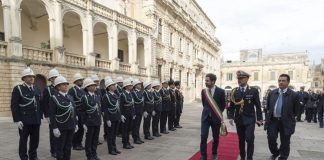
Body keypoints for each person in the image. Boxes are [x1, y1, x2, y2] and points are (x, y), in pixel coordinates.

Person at [228, 70, 263, 160]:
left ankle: (249, 157)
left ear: (247, 79)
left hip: (250, 119)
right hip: (239, 119)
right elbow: (231, 106)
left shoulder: (253, 91)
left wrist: (259, 118)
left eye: (242, 78)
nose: (239, 80)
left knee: (250, 139)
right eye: (238, 78)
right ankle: (243, 157)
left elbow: (258, 106)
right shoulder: (234, 91)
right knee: (241, 140)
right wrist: (231, 117)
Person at [265, 74, 299, 160]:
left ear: (288, 82)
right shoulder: (272, 93)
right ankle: (275, 153)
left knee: (285, 142)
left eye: (283, 81)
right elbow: (268, 107)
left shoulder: (294, 95)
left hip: (286, 122)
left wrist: (289, 117)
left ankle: (283, 157)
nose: (281, 82)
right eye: (279, 80)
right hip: (273, 121)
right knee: (271, 139)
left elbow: (297, 110)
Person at [11, 67, 42, 160]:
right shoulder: (18, 89)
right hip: (24, 120)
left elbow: (39, 103)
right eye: (29, 76)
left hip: (36, 119)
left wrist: (40, 116)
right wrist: (17, 120)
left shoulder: (36, 89)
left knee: (35, 140)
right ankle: (23, 157)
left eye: (32, 76)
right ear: (24, 78)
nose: (31, 78)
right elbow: (14, 105)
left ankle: (33, 156)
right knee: (23, 140)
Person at [49, 75, 78, 160]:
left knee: (68, 146)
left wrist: (75, 123)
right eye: (63, 84)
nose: (66, 86)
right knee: (60, 147)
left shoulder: (70, 97)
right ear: (58, 86)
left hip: (70, 125)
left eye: (66, 84)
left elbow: (73, 111)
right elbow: (52, 114)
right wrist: (54, 127)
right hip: (61, 126)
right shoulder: (54, 98)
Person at [199, 73, 226, 160]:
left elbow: (223, 105)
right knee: (203, 136)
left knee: (216, 137)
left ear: (213, 81)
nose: (205, 82)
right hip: (205, 118)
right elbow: (204, 104)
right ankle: (203, 155)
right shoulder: (204, 91)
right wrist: (208, 112)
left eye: (207, 81)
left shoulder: (221, 91)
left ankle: (214, 152)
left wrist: (216, 113)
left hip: (216, 118)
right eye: (205, 80)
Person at [81, 78, 102, 160]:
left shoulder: (96, 96)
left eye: (94, 85)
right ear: (87, 87)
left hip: (97, 121)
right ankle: (89, 155)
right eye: (92, 85)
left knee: (95, 139)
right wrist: (83, 123)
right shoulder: (85, 97)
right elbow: (82, 111)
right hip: (89, 121)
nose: (94, 87)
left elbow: (99, 108)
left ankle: (94, 153)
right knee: (89, 139)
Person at [41, 68, 60, 158]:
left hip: (61, 114)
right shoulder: (47, 89)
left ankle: (60, 149)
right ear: (51, 79)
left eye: (56, 77)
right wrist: (47, 115)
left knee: (62, 133)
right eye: (54, 77)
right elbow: (44, 103)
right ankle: (54, 151)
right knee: (53, 134)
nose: (55, 78)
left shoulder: (60, 87)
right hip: (52, 115)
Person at [102, 79, 122, 155]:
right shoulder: (106, 96)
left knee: (114, 135)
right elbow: (105, 109)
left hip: (116, 117)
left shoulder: (115, 95)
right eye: (113, 85)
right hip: (110, 118)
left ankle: (114, 148)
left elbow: (118, 107)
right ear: (109, 87)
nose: (114, 86)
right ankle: (111, 149)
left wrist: (119, 116)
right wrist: (107, 120)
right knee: (110, 135)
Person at [68, 73, 86, 150]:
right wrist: (74, 114)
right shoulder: (72, 90)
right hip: (76, 112)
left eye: (82, 80)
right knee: (77, 129)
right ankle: (75, 144)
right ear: (76, 81)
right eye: (80, 80)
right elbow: (71, 103)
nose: (81, 82)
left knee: (82, 129)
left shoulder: (83, 90)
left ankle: (79, 143)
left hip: (82, 112)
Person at [119, 79, 135, 149]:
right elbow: (121, 105)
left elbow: (132, 105)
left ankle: (128, 142)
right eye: (130, 85)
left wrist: (133, 113)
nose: (131, 86)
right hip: (125, 114)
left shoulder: (130, 93)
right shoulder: (123, 95)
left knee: (129, 129)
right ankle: (125, 143)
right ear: (126, 86)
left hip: (130, 114)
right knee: (125, 129)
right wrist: (121, 115)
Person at [131, 79, 145, 144]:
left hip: (140, 111)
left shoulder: (140, 92)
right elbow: (133, 104)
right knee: (135, 126)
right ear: (135, 86)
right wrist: (133, 113)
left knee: (138, 125)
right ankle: (135, 138)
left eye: (140, 84)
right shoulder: (133, 93)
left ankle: (138, 137)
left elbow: (142, 102)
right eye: (138, 84)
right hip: (136, 111)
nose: (140, 85)